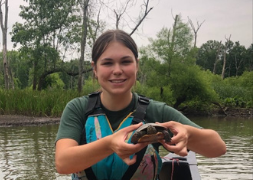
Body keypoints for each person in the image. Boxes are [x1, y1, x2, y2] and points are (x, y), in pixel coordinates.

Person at [55, 29, 226, 180]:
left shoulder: (156, 111)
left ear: (137, 65)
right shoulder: (78, 108)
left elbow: (218, 148)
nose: (117, 70)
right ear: (95, 68)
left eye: (125, 62)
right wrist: (109, 145)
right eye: (107, 63)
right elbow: (62, 163)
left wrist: (189, 133)